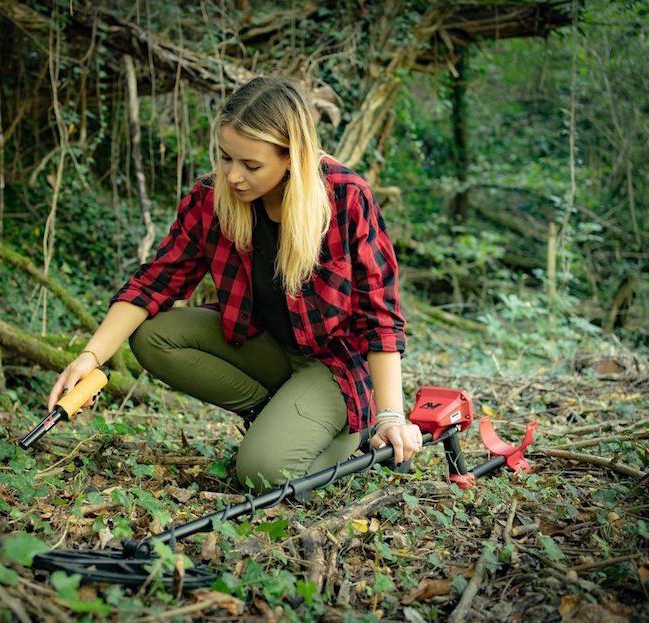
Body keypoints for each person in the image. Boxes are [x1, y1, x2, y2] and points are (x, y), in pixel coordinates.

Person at [47, 75, 422, 490]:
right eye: (226, 158)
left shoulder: (345, 197)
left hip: (334, 366)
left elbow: (379, 314)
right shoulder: (212, 198)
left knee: (263, 473)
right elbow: (155, 282)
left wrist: (391, 416)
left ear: (291, 157)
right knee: (152, 335)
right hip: (267, 347)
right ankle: (274, 412)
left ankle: (355, 429)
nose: (233, 176)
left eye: (251, 165)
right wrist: (90, 357)